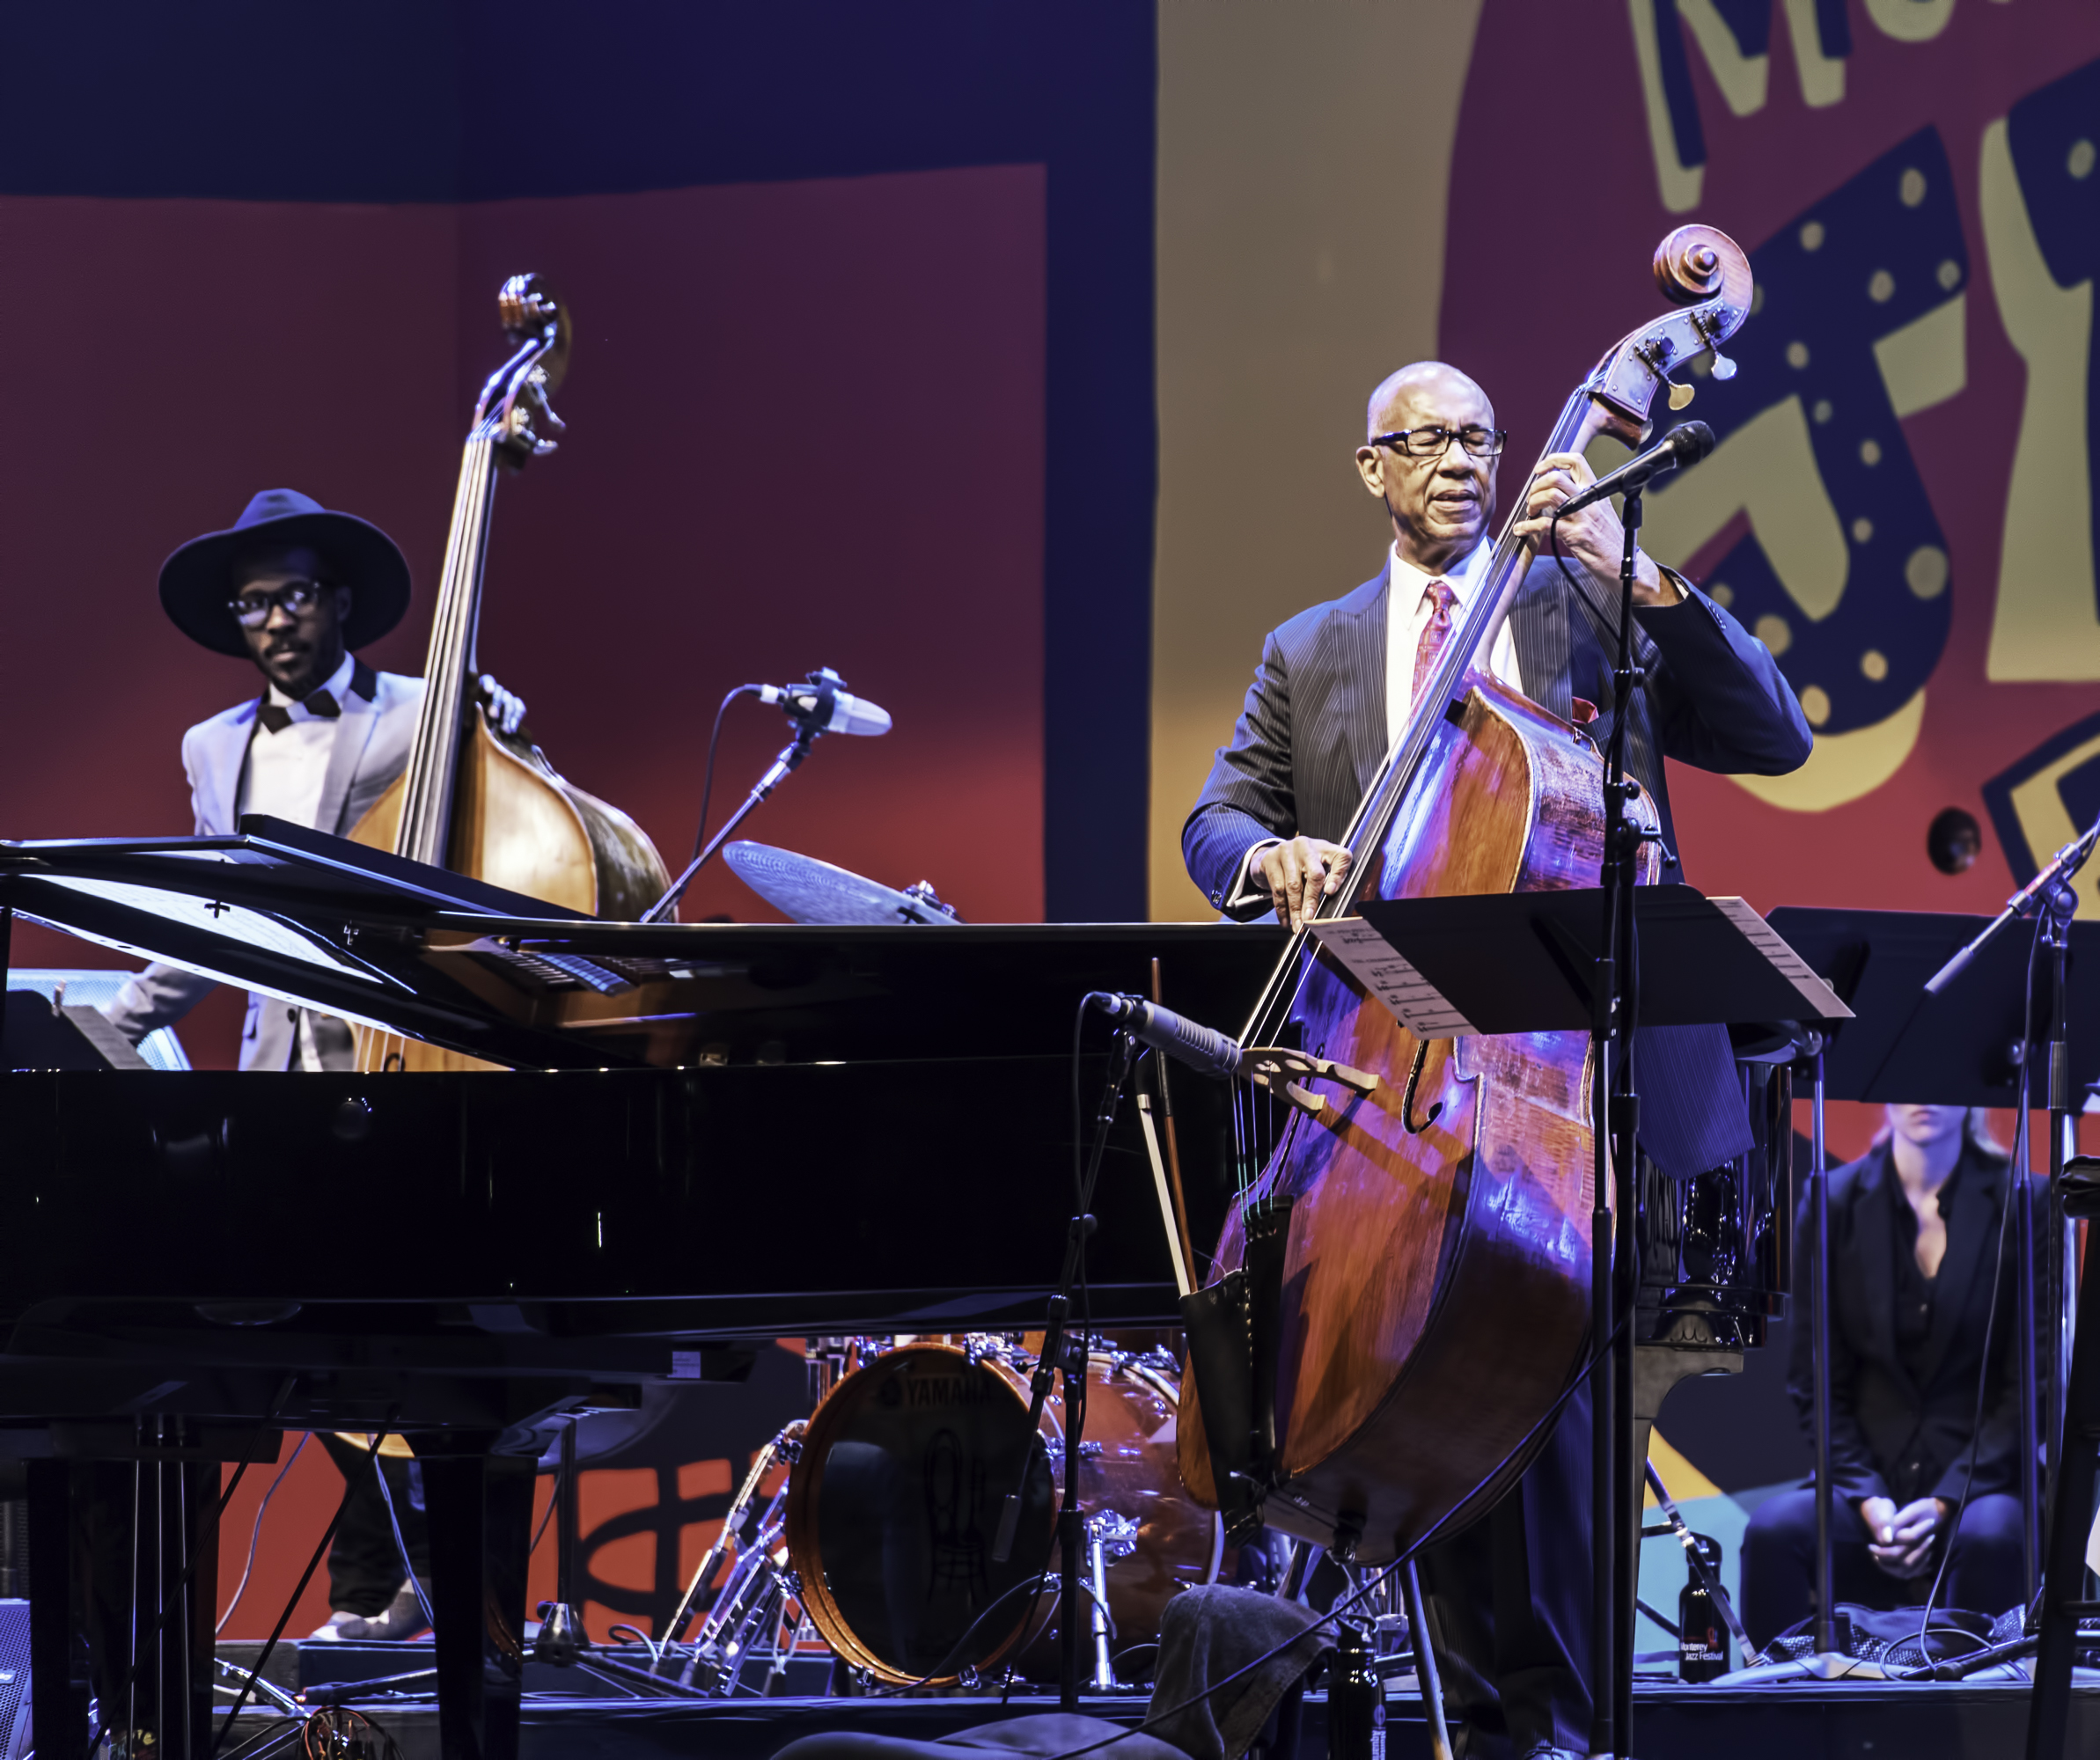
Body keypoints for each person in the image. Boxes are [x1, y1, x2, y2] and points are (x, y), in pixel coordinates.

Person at [1183, 361, 1812, 1759]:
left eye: (1480, 436)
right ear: (1372, 467)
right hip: (1402, 1106)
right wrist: (1266, 853)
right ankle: (1477, 1728)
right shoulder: (1313, 649)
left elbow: (1772, 734)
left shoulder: (1575, 592)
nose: (1462, 461)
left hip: (1580, 1098)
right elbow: (1215, 818)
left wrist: (1633, 571)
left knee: (1567, 1474)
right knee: (1430, 1442)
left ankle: (1571, 1736)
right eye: (1429, 441)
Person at [102, 486, 524, 1639]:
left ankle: (448, 1594)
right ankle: (369, 1595)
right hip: (280, 1091)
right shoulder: (213, 746)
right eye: (249, 606)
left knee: (428, 1338)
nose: (272, 623)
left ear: (337, 602)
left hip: (404, 1074)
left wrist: (504, 730)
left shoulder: (424, 714)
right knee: (332, 1347)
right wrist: (119, 1019)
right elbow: (213, 917)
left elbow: (487, 866)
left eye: (289, 597)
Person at [1740, 1104, 2030, 1647]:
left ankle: (1986, 1728)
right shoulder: (1831, 1202)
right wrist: (1872, 1502)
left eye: (1943, 1082)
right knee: (1773, 1532)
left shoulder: (2024, 1202)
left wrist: (1945, 1501)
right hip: (1866, 1485)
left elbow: (2029, 1390)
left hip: (1980, 1488)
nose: (1926, 1096)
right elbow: (1817, 1381)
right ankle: (1777, 1721)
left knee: (1992, 1538)